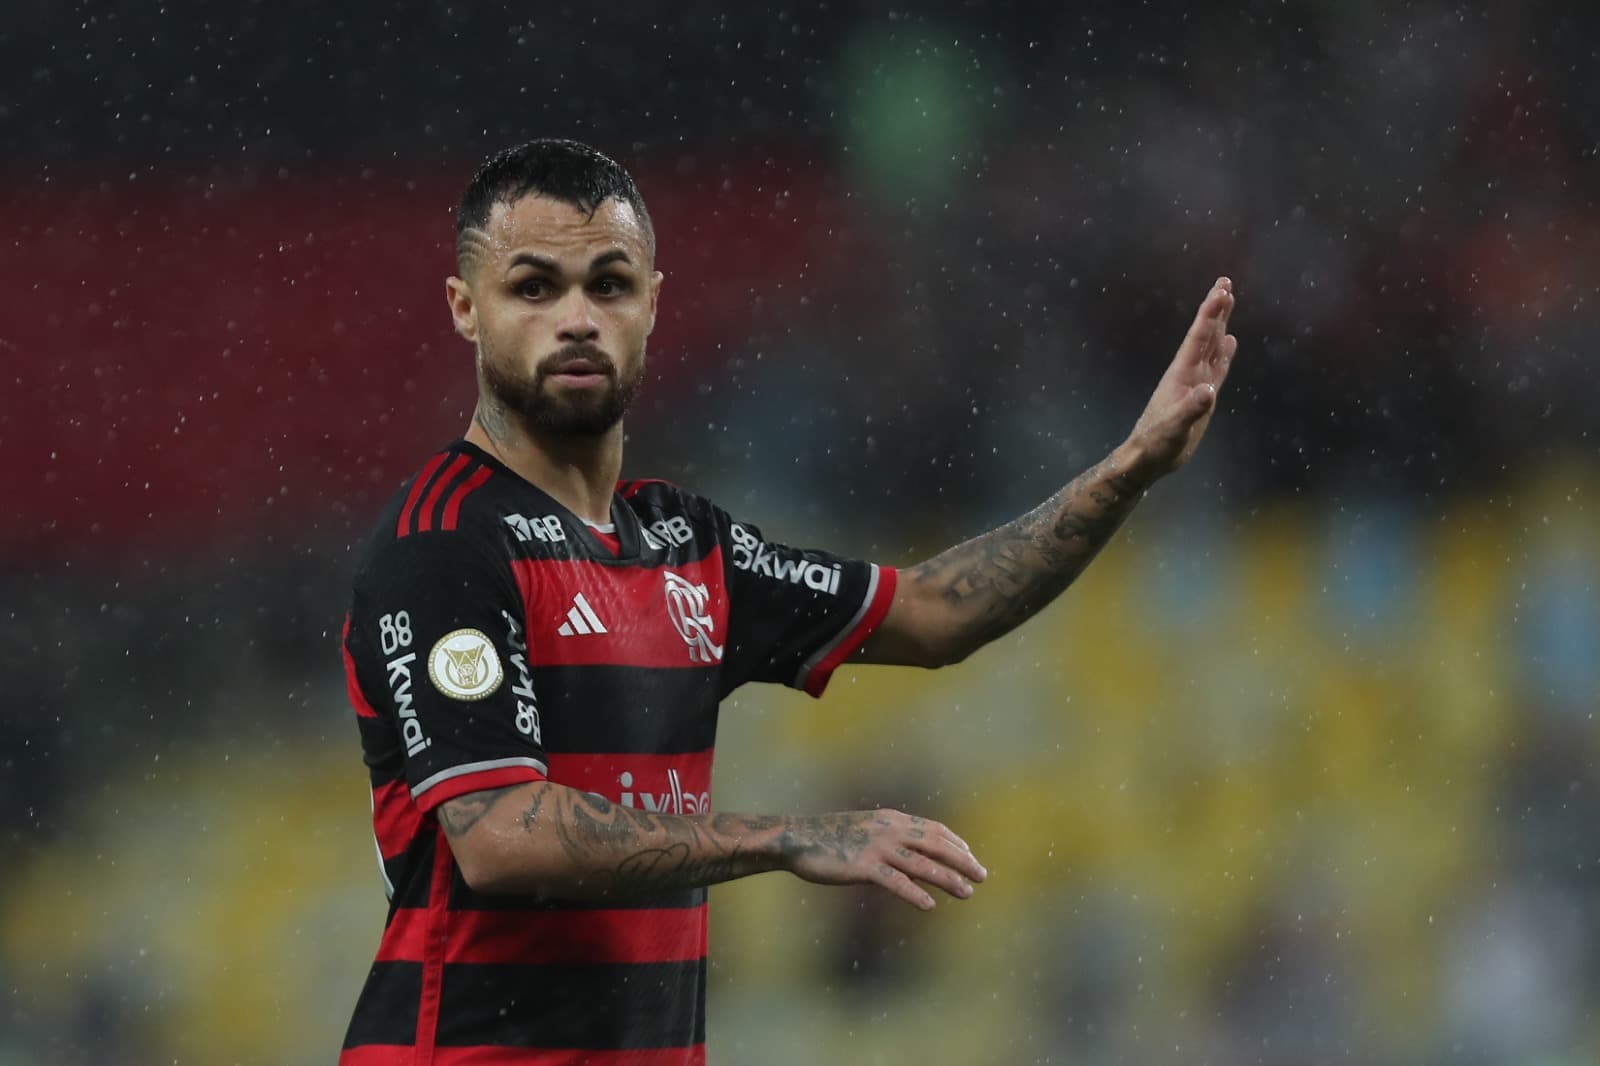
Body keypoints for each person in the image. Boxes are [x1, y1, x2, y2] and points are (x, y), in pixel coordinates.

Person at [339, 138, 1239, 1064]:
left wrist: (1130, 469)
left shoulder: (688, 546)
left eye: (608, 284)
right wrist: (785, 838)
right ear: (465, 309)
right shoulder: (446, 541)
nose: (576, 317)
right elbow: (500, 837)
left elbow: (933, 612)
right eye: (534, 287)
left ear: (651, 300)